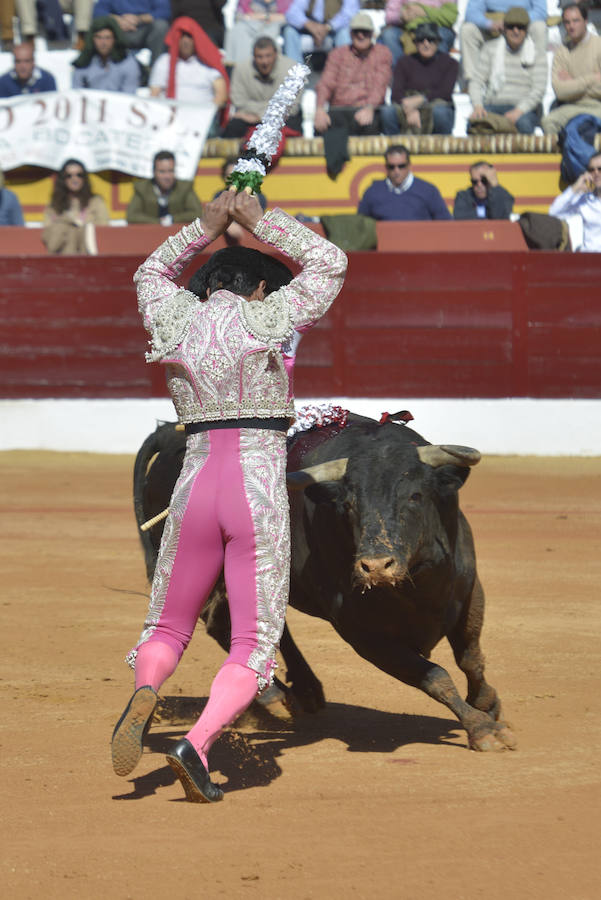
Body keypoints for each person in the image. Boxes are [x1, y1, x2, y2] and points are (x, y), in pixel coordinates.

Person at [111, 189, 348, 802]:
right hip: (254, 487)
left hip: (194, 483)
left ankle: (147, 689)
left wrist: (202, 225)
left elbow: (149, 272)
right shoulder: (265, 318)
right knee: (252, 641)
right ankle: (199, 741)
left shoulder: (175, 317)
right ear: (259, 290)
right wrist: (259, 221)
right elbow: (330, 264)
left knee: (166, 622)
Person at [314, 13, 394, 175]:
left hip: (368, 109)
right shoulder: (337, 54)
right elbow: (326, 82)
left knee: (370, 124)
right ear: (350, 33)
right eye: (356, 31)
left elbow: (381, 84)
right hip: (340, 109)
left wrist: (370, 107)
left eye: (365, 31)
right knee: (322, 125)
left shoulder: (382, 53)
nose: (360, 35)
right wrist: (320, 108)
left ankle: (369, 171)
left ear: (372, 34)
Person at [468, 6, 547, 135]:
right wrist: (478, 106)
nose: (516, 31)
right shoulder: (490, 49)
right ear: (504, 29)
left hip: (524, 109)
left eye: (520, 27)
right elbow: (476, 82)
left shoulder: (537, 54)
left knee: (524, 124)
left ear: (526, 30)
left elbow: (538, 90)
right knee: (475, 123)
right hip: (493, 104)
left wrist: (518, 111)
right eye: (511, 27)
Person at [384, 21, 459, 135]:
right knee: (387, 112)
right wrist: (411, 110)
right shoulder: (404, 62)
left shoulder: (450, 63)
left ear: (438, 42)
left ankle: (441, 149)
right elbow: (396, 94)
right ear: (415, 43)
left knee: (440, 112)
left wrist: (422, 99)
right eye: (421, 40)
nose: (426, 44)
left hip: (434, 105)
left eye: (430, 40)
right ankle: (394, 148)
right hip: (408, 107)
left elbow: (445, 92)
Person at [149, 16, 228, 120]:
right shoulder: (164, 61)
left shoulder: (208, 62)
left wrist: (202, 115)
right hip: (170, 118)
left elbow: (221, 96)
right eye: (181, 36)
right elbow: (154, 94)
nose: (186, 41)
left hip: (202, 119)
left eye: (189, 36)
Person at [223, 36, 302, 138]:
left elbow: (292, 107)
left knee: (294, 123)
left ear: (276, 55)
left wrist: (259, 117)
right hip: (250, 118)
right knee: (233, 126)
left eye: (268, 56)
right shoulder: (241, 69)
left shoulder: (292, 69)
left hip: (281, 119)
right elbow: (239, 101)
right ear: (253, 56)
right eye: (260, 57)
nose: (265, 62)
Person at [541, 3, 601, 135]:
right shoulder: (562, 52)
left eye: (576, 21)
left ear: (585, 21)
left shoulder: (599, 46)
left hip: (597, 106)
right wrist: (592, 79)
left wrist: (572, 82)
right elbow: (560, 91)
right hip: (572, 106)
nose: (571, 26)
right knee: (548, 122)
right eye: (567, 22)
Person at [460, 0, 547, 89]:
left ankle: (537, 81)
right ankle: (472, 83)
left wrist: (514, 21)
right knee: (467, 30)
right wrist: (489, 24)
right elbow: (471, 12)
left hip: (522, 26)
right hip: (493, 27)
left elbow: (540, 11)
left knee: (539, 27)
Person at [358, 143, 452, 220]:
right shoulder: (372, 192)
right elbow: (359, 227)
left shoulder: (428, 191)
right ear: (386, 167)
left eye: (401, 166)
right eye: (392, 167)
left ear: (409, 166)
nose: (396, 171)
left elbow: (445, 225)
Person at [42, 159, 110, 255]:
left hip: (88, 256)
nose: (75, 179)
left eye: (79, 175)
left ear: (84, 178)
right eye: (69, 176)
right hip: (61, 256)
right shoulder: (53, 205)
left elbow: (103, 230)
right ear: (63, 179)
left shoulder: (96, 202)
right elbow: (48, 235)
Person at [126, 150, 204, 225]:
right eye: (162, 171)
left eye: (170, 171)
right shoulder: (142, 189)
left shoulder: (185, 188)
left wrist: (172, 219)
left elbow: (197, 213)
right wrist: (158, 222)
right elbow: (132, 216)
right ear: (154, 172)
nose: (167, 176)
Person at [378, 0, 458, 68]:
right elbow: (390, 14)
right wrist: (402, 15)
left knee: (439, 36)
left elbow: (450, 16)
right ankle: (401, 75)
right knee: (389, 35)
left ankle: (435, 76)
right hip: (407, 29)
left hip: (437, 28)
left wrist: (425, 12)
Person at [71, 16, 141, 93]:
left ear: (115, 39)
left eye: (108, 38)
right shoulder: (83, 62)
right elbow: (76, 93)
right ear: (92, 39)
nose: (103, 43)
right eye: (98, 37)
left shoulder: (128, 63)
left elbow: (129, 95)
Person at [548, 150, 601, 251]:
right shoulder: (584, 200)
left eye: (600, 169)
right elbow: (553, 213)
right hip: (589, 257)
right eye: (591, 170)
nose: (596, 173)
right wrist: (575, 188)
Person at [91, 0, 170, 64]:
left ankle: (157, 72)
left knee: (161, 26)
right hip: (119, 30)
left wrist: (139, 19)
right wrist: (119, 20)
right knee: (102, 26)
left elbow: (165, 11)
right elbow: (98, 11)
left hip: (146, 30)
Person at [282, 0, 360, 64]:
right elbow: (292, 13)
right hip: (310, 27)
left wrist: (328, 27)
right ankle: (295, 76)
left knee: (344, 33)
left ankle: (344, 72)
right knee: (289, 32)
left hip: (334, 28)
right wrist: (309, 25)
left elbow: (350, 13)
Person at [224, 0, 289, 67]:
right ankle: (241, 67)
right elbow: (240, 16)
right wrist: (267, 17)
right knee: (237, 30)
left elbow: (288, 17)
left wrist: (263, 16)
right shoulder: (245, 2)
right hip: (249, 25)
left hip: (275, 26)